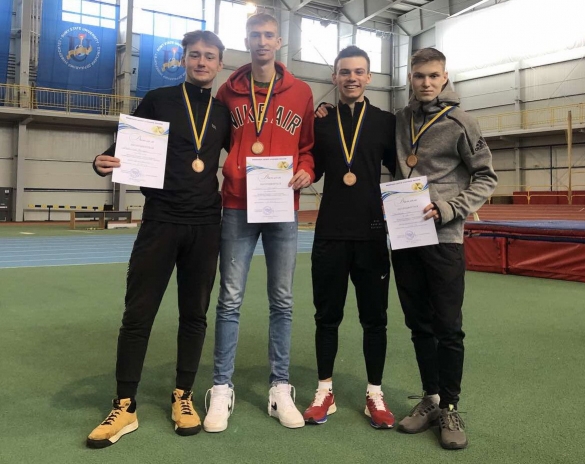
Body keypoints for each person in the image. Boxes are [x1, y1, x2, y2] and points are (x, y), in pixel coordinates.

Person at [86, 30, 230, 448]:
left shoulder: (223, 113)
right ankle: (125, 405)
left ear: (219, 64)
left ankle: (183, 396)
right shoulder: (159, 100)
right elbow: (120, 149)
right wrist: (101, 161)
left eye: (209, 56)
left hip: (206, 225)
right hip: (161, 221)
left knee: (195, 314)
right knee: (138, 314)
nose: (201, 62)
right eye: (195, 55)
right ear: (183, 59)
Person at [203, 13, 315, 432]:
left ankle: (280, 387)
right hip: (237, 204)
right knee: (229, 299)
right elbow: (212, 140)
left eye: (269, 35)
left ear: (279, 42)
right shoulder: (228, 91)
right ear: (247, 40)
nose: (262, 41)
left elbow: (307, 146)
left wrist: (307, 169)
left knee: (282, 301)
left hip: (282, 205)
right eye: (255, 35)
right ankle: (221, 387)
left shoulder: (301, 92)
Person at [392, 47, 497, 450]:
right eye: (420, 76)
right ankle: (431, 398)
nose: (427, 83)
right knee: (418, 323)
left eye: (434, 76)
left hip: (444, 237)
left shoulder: (461, 122)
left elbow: (486, 177)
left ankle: (451, 406)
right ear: (410, 78)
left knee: (448, 326)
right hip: (406, 235)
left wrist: (451, 208)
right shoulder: (400, 119)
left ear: (445, 76)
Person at [302, 46, 396, 429]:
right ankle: (325, 390)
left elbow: (406, 169)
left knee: (375, 319)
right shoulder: (321, 122)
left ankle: (375, 393)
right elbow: (312, 164)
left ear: (369, 77)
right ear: (335, 78)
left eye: (359, 72)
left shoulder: (385, 122)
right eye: (345, 72)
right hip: (330, 233)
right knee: (327, 317)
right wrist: (304, 172)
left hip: (372, 234)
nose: (352, 78)